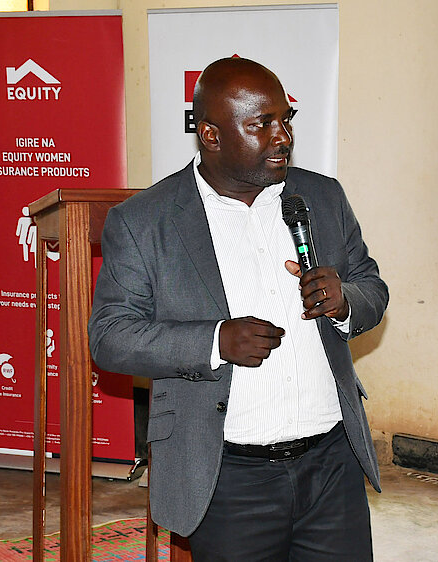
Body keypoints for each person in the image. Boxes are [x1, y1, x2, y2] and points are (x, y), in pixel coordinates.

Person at [88, 57, 388, 561]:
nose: (282, 137)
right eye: (261, 124)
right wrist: (215, 341)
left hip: (332, 465)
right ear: (210, 135)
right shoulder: (145, 221)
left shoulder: (321, 197)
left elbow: (371, 288)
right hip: (227, 478)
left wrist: (344, 302)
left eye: (285, 120)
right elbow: (110, 336)